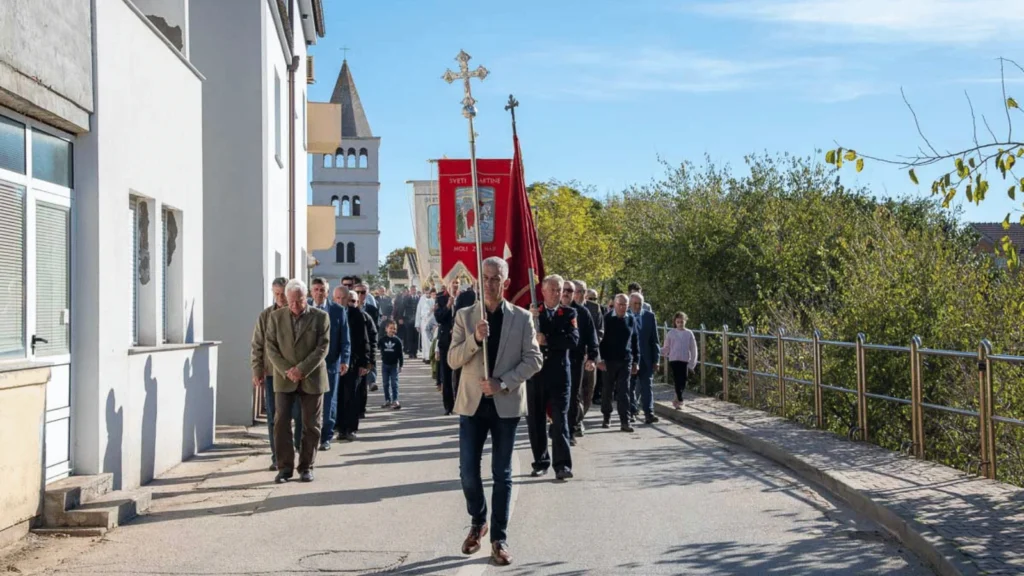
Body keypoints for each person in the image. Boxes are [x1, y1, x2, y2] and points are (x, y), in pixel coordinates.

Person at [448, 257, 542, 566]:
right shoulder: (465, 316)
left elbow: (533, 360)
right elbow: (451, 359)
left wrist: (502, 382)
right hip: (472, 405)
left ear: (505, 281)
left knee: (502, 474)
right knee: (467, 471)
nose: (490, 283)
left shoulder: (522, 317)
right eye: (485, 278)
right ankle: (479, 520)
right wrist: (475, 339)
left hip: (506, 404)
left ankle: (498, 538)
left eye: (495, 278)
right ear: (478, 280)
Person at [264, 279, 330, 483]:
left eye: (298, 301)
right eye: (291, 301)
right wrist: (287, 370)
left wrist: (301, 369)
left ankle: (306, 466)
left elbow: (322, 347)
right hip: (284, 379)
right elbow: (271, 347)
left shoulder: (320, 317)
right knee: (281, 421)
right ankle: (284, 468)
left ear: (306, 297)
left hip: (312, 378)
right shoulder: (275, 317)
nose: (294, 305)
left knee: (311, 424)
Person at [527, 275, 579, 480]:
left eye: (560, 290)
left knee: (560, 421)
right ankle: (540, 461)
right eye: (554, 290)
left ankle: (563, 464)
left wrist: (547, 339)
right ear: (543, 291)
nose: (558, 294)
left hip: (559, 375)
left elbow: (573, 340)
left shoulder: (568, 313)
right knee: (536, 421)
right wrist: (531, 323)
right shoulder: (533, 312)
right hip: (536, 374)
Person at [250, 277, 302, 470]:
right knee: (275, 417)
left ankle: (298, 448)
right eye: (276, 294)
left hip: (296, 375)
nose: (280, 298)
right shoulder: (265, 316)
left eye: (283, 294)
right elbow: (257, 345)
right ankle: (277, 456)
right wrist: (257, 370)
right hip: (273, 375)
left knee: (299, 415)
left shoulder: (298, 314)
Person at [309, 278, 350, 451]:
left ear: (328, 292)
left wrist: (345, 360)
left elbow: (345, 338)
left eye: (322, 290)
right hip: (309, 365)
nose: (319, 293)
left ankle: (326, 436)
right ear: (311, 292)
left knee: (329, 402)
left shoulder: (338, 311)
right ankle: (310, 436)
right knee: (309, 403)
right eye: (316, 289)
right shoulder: (305, 310)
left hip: (331, 364)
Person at [598, 294, 639, 432]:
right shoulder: (607, 319)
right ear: (614, 304)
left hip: (625, 360)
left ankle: (625, 421)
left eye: (625, 305)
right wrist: (600, 359)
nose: (622, 307)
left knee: (624, 391)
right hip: (608, 360)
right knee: (607, 390)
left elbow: (634, 341)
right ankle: (606, 416)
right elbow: (600, 341)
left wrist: (636, 361)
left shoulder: (631, 319)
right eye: (620, 304)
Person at [335, 285, 370, 441]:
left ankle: (350, 428)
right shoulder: (331, 313)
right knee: (338, 396)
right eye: (339, 298)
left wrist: (365, 363)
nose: (342, 301)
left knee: (351, 396)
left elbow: (364, 340)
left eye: (346, 299)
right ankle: (339, 427)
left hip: (354, 362)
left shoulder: (356, 314)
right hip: (335, 362)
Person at [565, 281, 598, 444]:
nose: (567, 294)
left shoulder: (583, 313)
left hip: (576, 360)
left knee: (572, 396)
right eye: (564, 290)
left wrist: (592, 357)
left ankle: (570, 429)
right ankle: (557, 426)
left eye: (571, 291)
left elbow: (592, 337)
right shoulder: (551, 309)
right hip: (554, 361)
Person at [628, 292, 661, 424]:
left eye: (639, 304)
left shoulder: (649, 317)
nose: (637, 306)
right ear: (630, 304)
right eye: (635, 303)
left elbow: (655, 340)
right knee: (630, 386)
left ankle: (649, 412)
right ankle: (632, 411)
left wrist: (656, 360)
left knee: (647, 386)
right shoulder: (625, 316)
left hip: (646, 358)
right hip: (630, 358)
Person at [662, 312, 698, 409]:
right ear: (675, 322)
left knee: (683, 379)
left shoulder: (689, 333)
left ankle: (676, 398)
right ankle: (680, 399)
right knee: (677, 379)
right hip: (674, 360)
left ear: (685, 321)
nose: (680, 324)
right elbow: (666, 347)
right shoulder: (671, 333)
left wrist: (692, 364)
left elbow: (693, 348)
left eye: (682, 322)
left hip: (684, 360)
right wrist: (659, 352)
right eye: (678, 322)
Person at [434, 279, 460, 414]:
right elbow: (438, 317)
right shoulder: (440, 298)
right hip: (446, 341)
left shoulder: (467, 296)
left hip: (462, 341)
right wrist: (448, 306)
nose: (455, 285)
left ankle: (461, 404)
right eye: (453, 282)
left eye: (458, 282)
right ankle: (448, 406)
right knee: (447, 374)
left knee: (461, 375)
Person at [378, 320, 404, 409]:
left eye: (394, 329)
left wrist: (401, 365)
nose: (392, 330)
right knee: (385, 383)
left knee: (394, 383)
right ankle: (387, 400)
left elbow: (400, 354)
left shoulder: (397, 341)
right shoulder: (382, 340)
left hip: (394, 365)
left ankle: (395, 400)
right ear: (386, 329)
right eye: (390, 328)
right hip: (385, 365)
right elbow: (376, 346)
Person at [417, 288, 436, 362]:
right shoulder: (426, 301)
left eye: (435, 294)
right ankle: (426, 356)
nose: (433, 296)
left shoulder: (436, 301)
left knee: (430, 340)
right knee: (425, 340)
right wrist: (430, 311)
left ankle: (429, 356)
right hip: (426, 322)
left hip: (433, 322)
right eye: (432, 294)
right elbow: (422, 313)